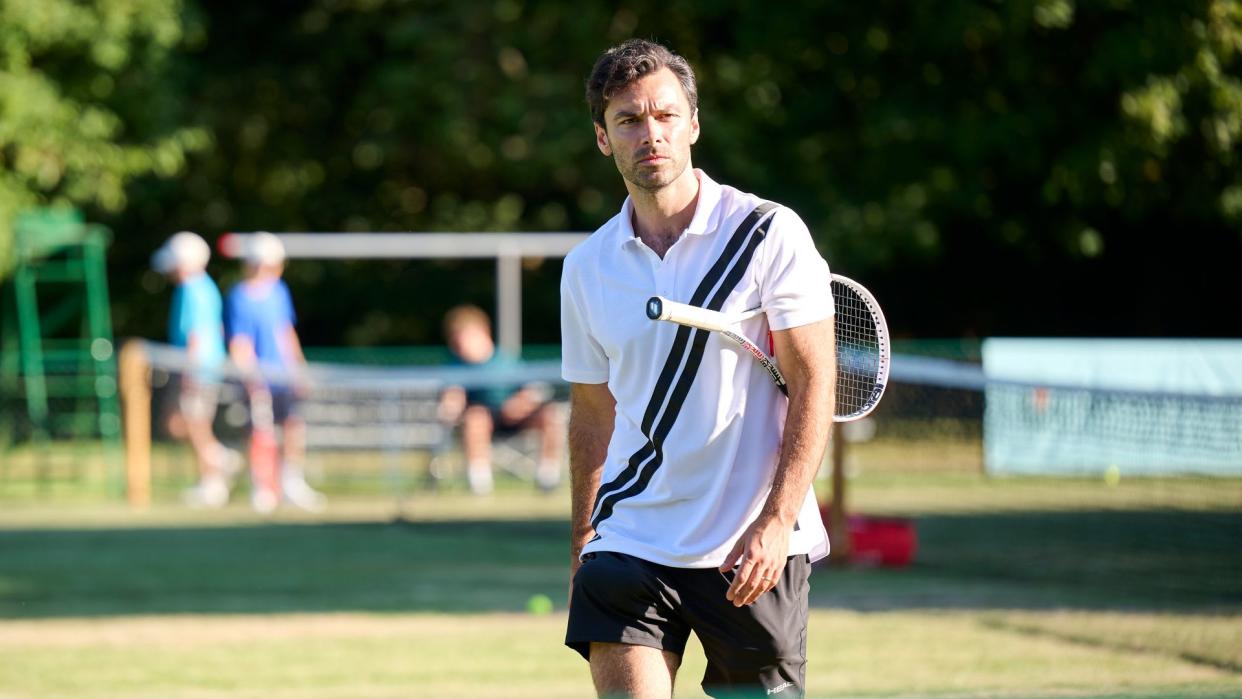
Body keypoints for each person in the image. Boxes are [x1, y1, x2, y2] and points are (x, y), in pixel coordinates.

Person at [561, 40, 837, 698]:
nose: (648, 133)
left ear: (693, 124)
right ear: (603, 139)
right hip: (630, 538)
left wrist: (777, 521)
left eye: (664, 115)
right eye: (628, 120)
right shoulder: (586, 266)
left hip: (751, 547)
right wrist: (582, 541)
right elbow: (593, 412)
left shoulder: (770, 233)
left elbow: (814, 380)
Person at [225, 232, 324, 513]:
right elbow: (239, 341)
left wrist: (298, 368)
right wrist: (249, 376)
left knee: (293, 427)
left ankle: (291, 481)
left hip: (283, 375)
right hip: (258, 376)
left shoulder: (280, 291)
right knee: (260, 432)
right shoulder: (239, 296)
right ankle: (262, 486)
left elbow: (285, 332)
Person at [151, 231, 240, 508]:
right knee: (183, 424)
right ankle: (218, 462)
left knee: (194, 424)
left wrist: (189, 372)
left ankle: (214, 478)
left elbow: (195, 337)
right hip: (203, 368)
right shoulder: (204, 287)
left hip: (196, 369)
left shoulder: (192, 289)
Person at [438, 304, 564, 495]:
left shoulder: (506, 360)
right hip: (484, 421)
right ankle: (479, 482)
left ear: (482, 333)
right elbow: (453, 397)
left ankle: (548, 476)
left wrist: (521, 403)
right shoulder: (456, 366)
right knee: (475, 418)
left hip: (517, 418)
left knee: (551, 415)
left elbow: (536, 390)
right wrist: (450, 406)